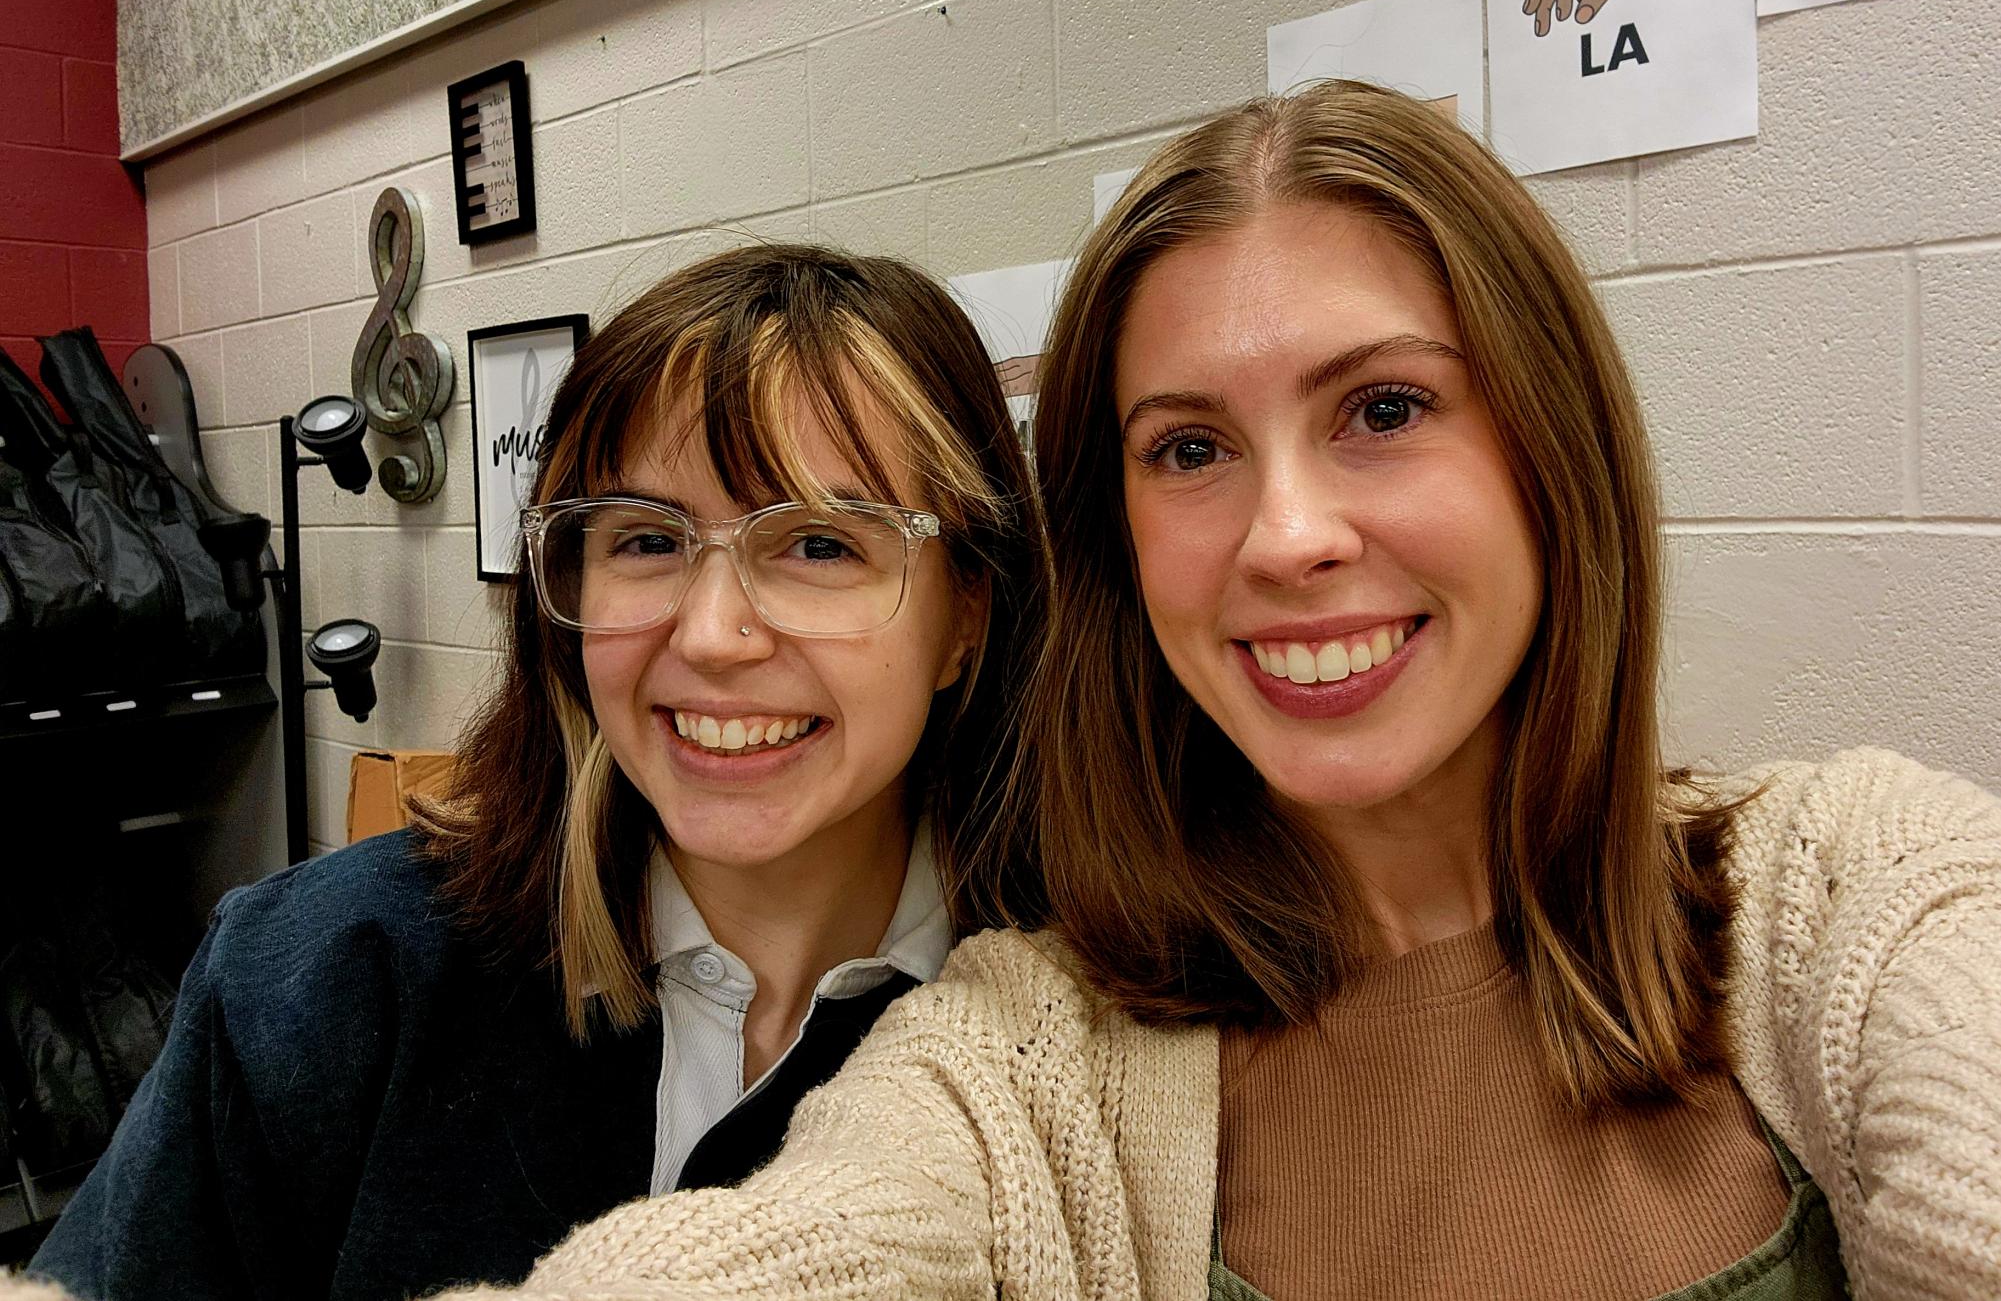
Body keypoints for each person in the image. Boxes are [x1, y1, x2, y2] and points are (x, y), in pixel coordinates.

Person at [410, 83, 2001, 1301]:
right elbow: (807, 1245)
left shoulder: (1853, 895)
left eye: (1383, 408)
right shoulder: (1034, 1061)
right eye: (1188, 449)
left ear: (1550, 450)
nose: (1289, 536)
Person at [23, 243, 1047, 1300]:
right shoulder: (322, 981)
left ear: (967, 611)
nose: (711, 634)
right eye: (647, 539)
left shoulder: (1090, 1031)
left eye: (822, 545)